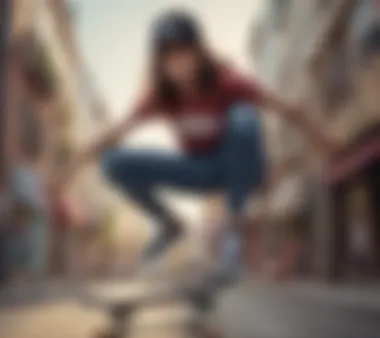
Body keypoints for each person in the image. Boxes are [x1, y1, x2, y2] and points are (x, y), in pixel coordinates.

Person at [55, 10, 338, 282]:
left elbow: (289, 109)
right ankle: (169, 225)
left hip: (244, 167)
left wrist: (321, 138)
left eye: (185, 53)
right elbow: (116, 130)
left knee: (244, 117)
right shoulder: (161, 96)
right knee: (114, 162)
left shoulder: (228, 82)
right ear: (160, 63)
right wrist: (72, 165)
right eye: (169, 58)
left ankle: (233, 235)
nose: (179, 65)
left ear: (199, 52)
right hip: (200, 171)